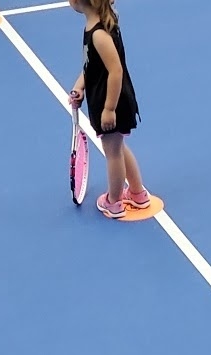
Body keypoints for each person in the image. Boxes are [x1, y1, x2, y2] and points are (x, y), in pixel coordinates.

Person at [67, 0, 152, 219]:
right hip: (107, 99)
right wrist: (79, 87)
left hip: (111, 102)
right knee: (118, 147)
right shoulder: (99, 24)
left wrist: (109, 109)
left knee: (112, 153)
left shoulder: (99, 35)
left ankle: (114, 202)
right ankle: (137, 193)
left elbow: (116, 71)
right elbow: (92, 65)